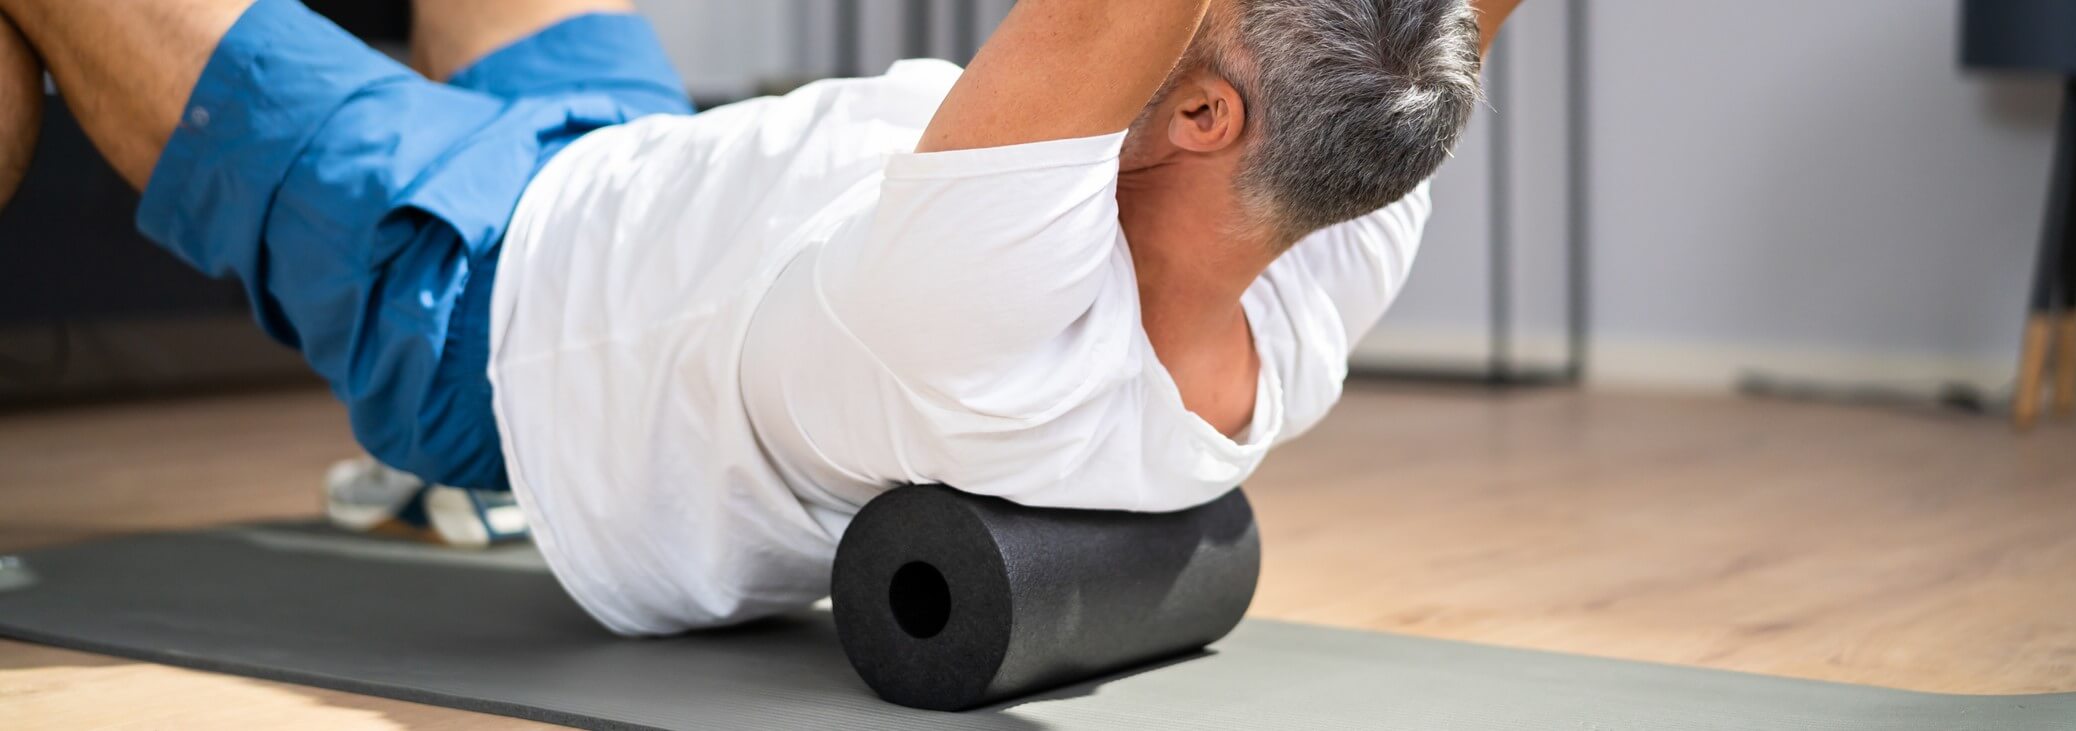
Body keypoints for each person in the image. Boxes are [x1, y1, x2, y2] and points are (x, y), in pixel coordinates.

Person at [0, 0, 1511, 635]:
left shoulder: (1004, 329)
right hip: (623, 170)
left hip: (477, 290)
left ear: (1194, 109)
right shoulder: (1317, 243)